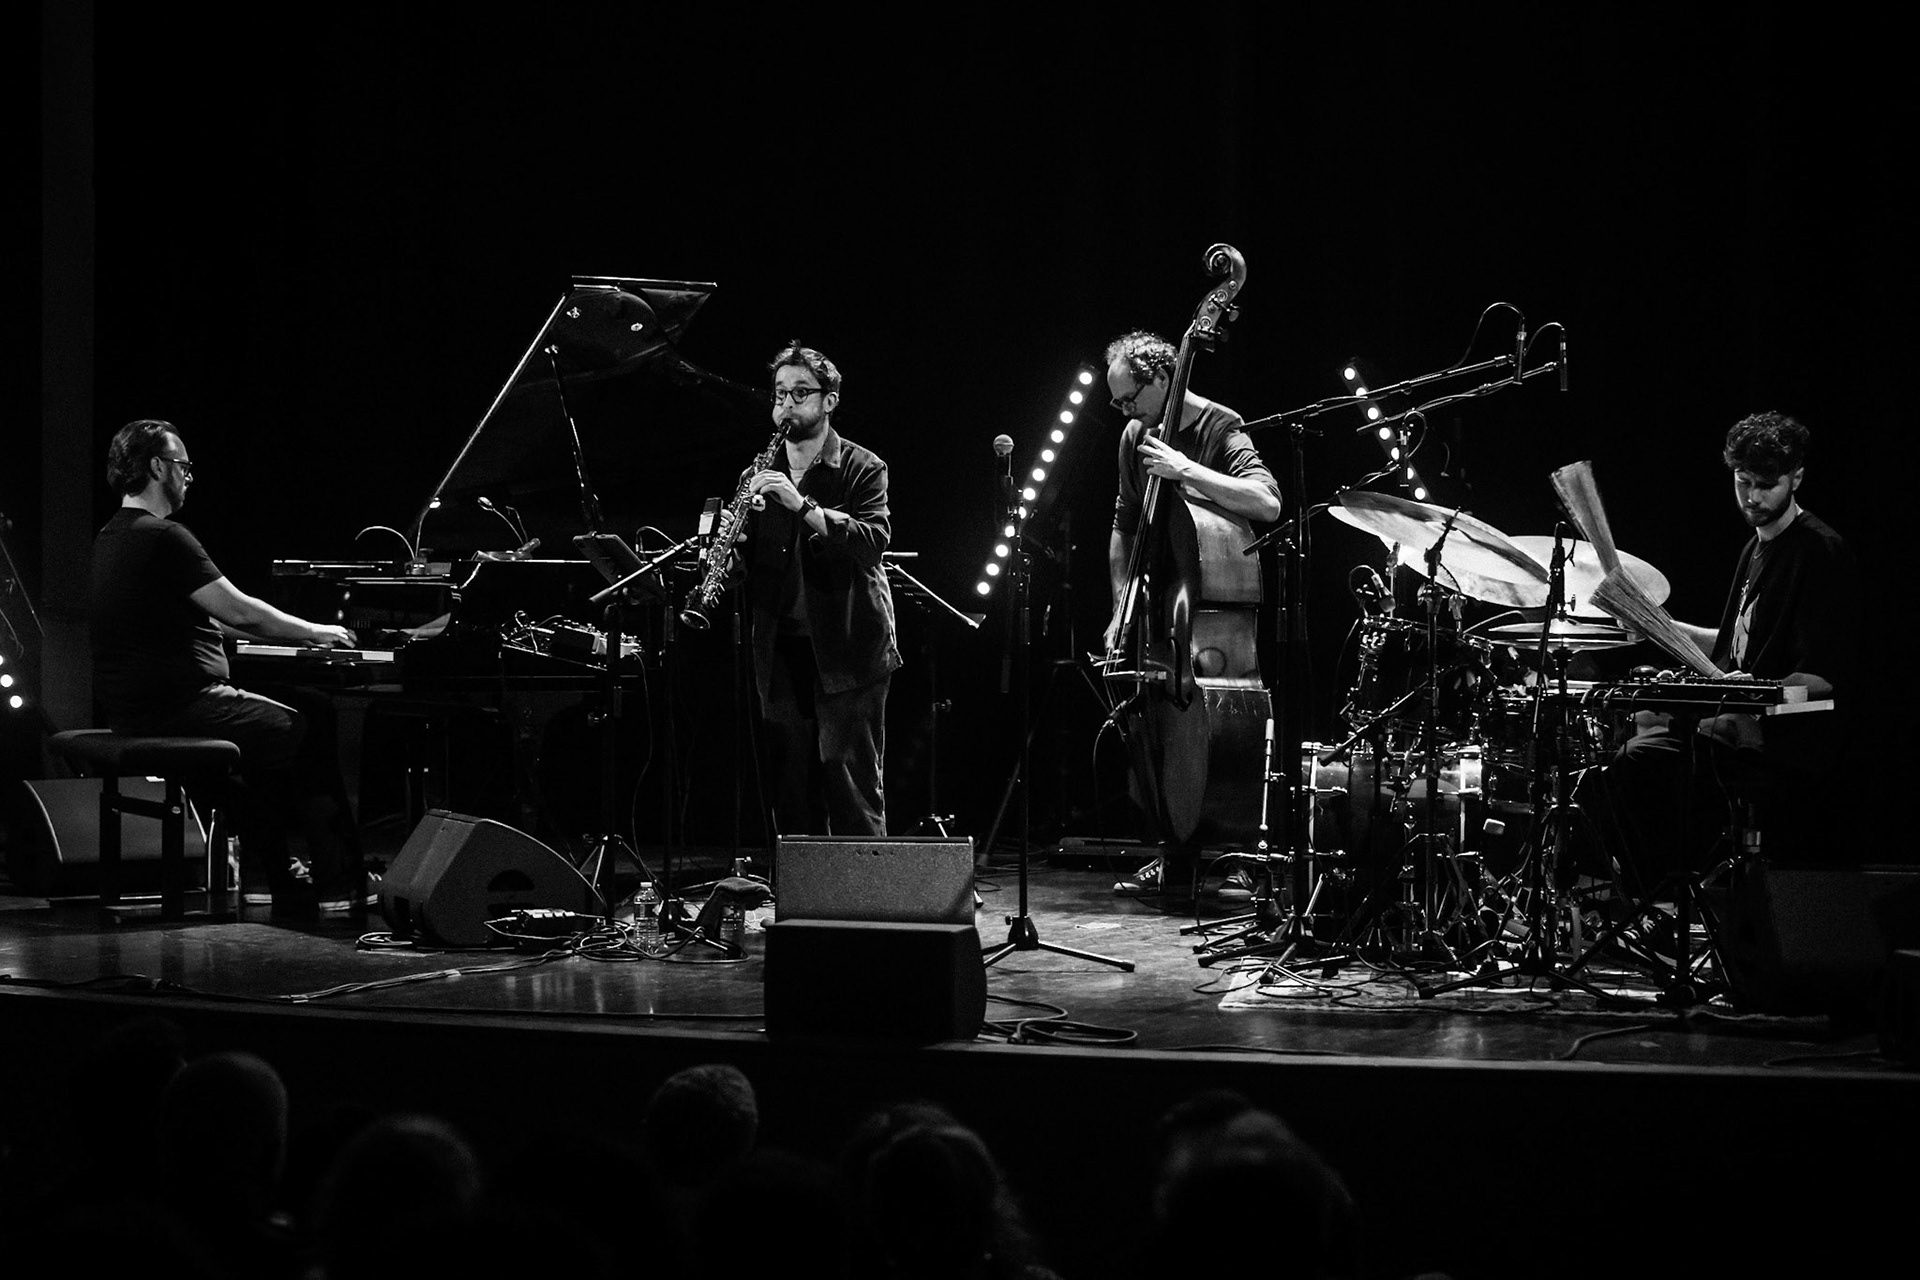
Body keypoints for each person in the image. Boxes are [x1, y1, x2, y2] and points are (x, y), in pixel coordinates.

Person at [87, 418, 363, 914]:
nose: (189, 476)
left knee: (271, 734)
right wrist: (315, 631)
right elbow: (239, 610)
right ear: (157, 467)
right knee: (311, 719)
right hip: (182, 708)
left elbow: (214, 613)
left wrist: (282, 629)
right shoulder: (166, 537)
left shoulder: (112, 536)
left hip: (135, 710)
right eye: (183, 465)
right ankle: (338, 882)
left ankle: (272, 876)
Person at [1599, 410, 1860, 883]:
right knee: (1627, 739)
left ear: (1797, 477)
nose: (1753, 497)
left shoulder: (1819, 551)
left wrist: (1753, 693)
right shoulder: (1753, 548)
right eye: (1743, 482)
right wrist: (1659, 627)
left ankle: (1663, 896)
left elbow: (1820, 678)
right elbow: (1737, 643)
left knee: (1640, 763)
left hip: (1778, 747)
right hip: (1730, 727)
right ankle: (1642, 895)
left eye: (1767, 484)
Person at [1101, 331, 1282, 894]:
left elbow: (1267, 502)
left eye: (1129, 398)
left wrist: (1187, 470)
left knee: (1216, 730)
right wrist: (1120, 602)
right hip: (1162, 616)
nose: (1123, 411)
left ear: (1162, 380)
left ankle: (1226, 851)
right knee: (1151, 720)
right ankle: (1171, 847)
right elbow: (1123, 527)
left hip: (1211, 614)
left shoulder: (1220, 426)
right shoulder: (1135, 436)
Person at [736, 342, 900, 837]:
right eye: (780, 393)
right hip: (782, 647)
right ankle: (798, 900)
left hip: (849, 645)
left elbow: (873, 541)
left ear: (828, 401)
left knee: (846, 775)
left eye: (800, 393)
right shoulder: (756, 475)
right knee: (789, 780)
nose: (787, 405)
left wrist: (801, 505)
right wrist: (732, 540)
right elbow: (754, 567)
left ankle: (863, 901)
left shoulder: (863, 466)